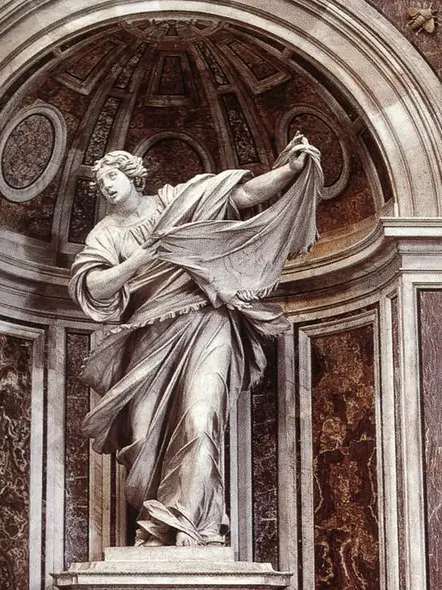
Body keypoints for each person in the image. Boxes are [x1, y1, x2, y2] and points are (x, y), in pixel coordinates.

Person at [68, 137, 321, 547]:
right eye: (101, 184)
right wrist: (140, 260)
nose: (108, 186)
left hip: (207, 321)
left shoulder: (176, 202)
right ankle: (157, 527)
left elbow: (241, 194)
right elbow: (94, 285)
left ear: (133, 175)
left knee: (200, 421)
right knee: (144, 439)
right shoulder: (105, 233)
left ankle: (192, 525)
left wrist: (289, 170)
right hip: (147, 338)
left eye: (113, 176)